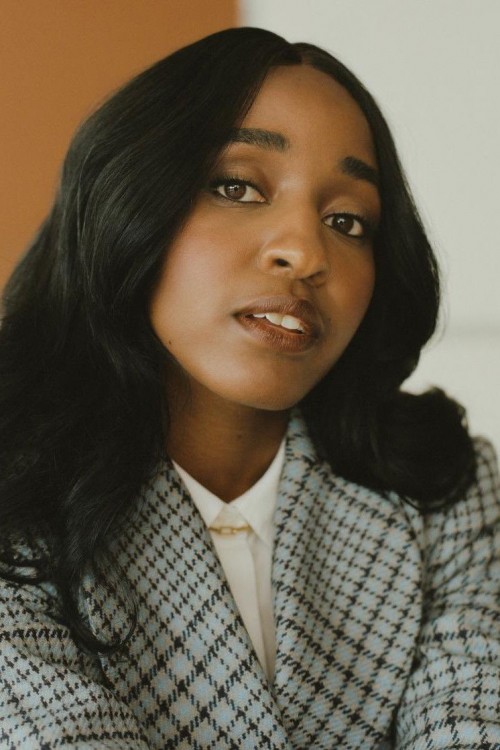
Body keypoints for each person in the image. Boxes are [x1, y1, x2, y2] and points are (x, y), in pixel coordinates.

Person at [0, 26, 498, 750]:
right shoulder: (15, 489)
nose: (303, 251)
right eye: (236, 187)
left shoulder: (444, 489)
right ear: (126, 200)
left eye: (347, 220)